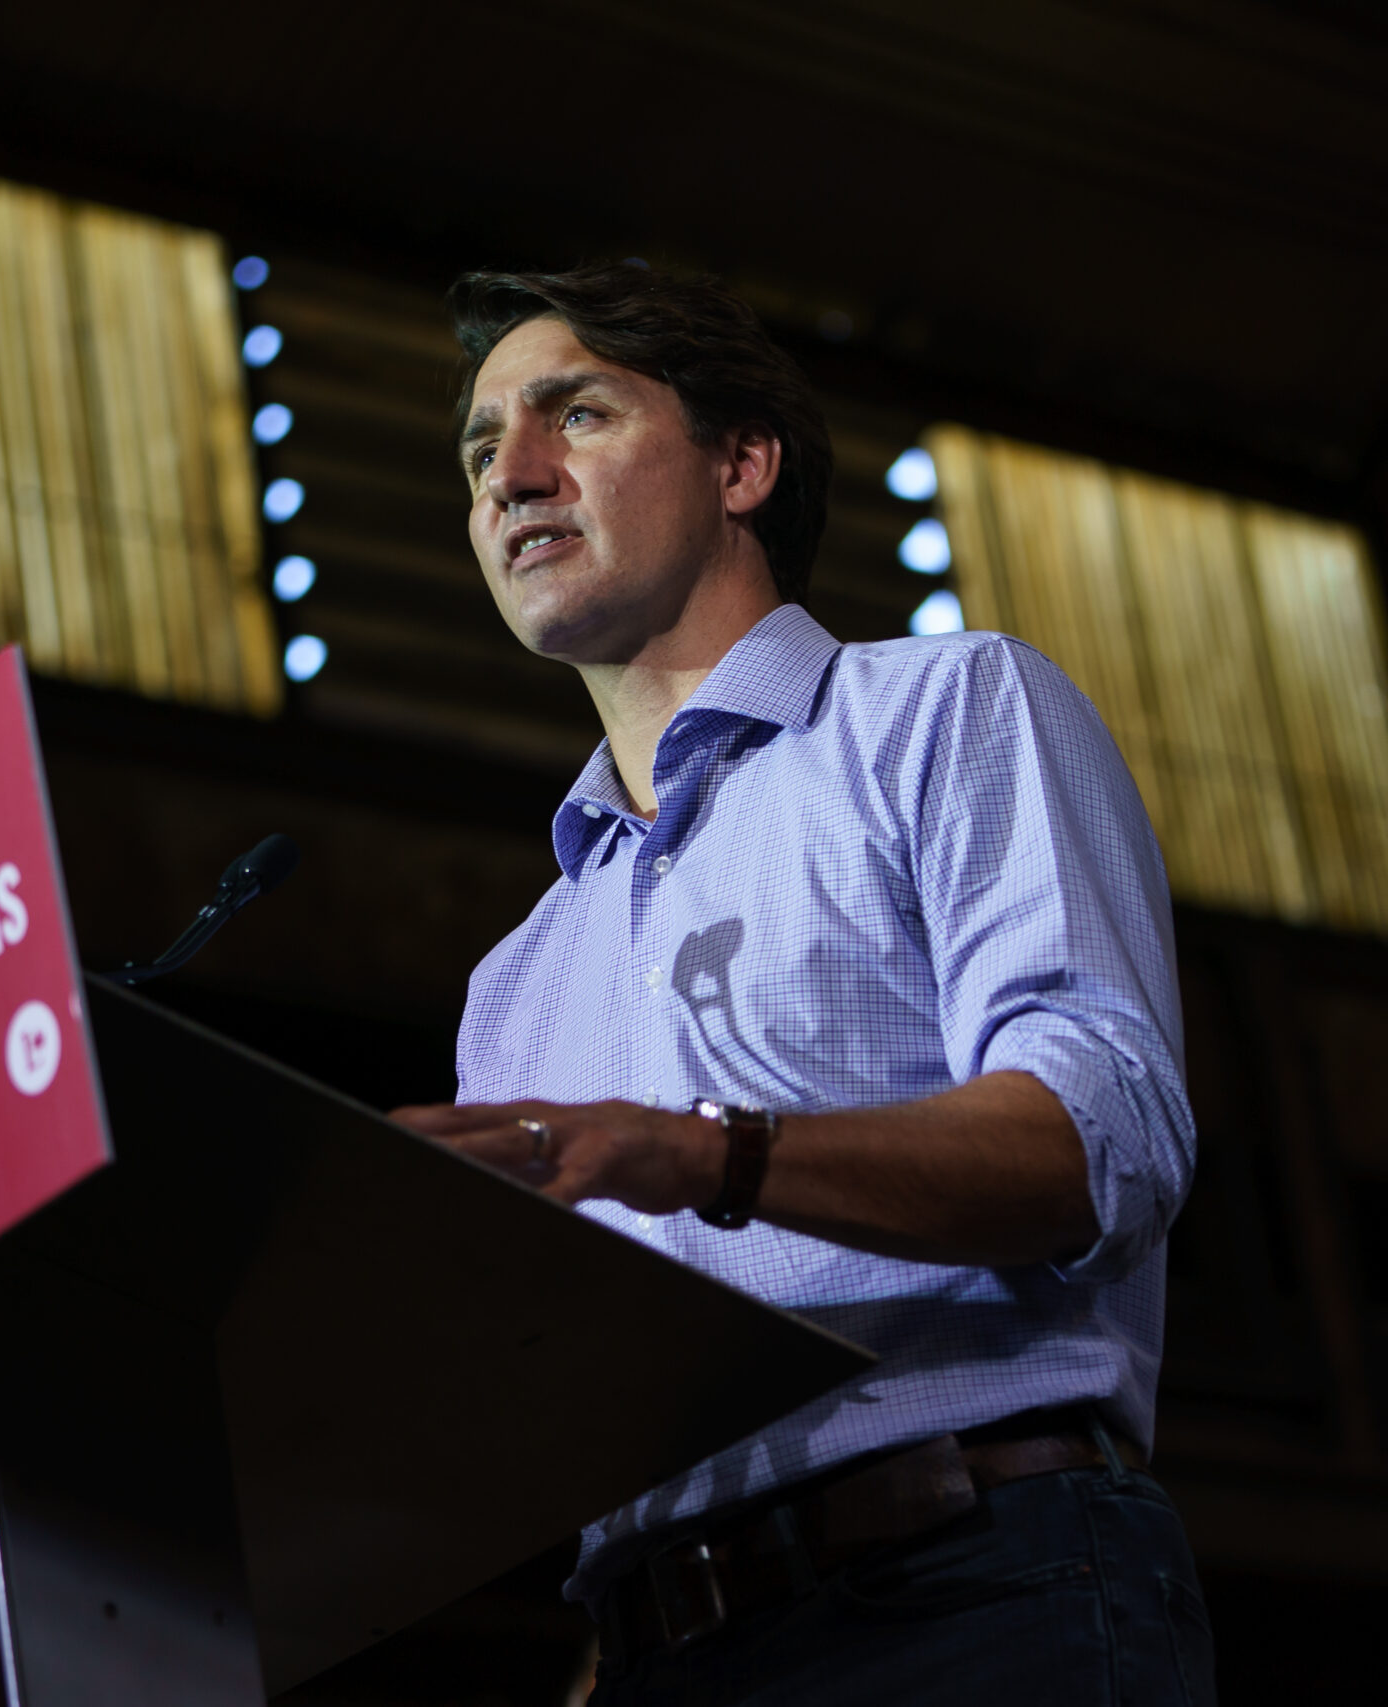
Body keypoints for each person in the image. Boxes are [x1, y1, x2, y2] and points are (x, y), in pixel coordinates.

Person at [389, 262, 1214, 1706]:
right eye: (478, 451)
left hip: (973, 1596)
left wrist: (695, 1151)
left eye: (572, 415)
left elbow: (1107, 1139)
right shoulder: (514, 980)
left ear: (743, 464)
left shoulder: (946, 713)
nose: (510, 477)